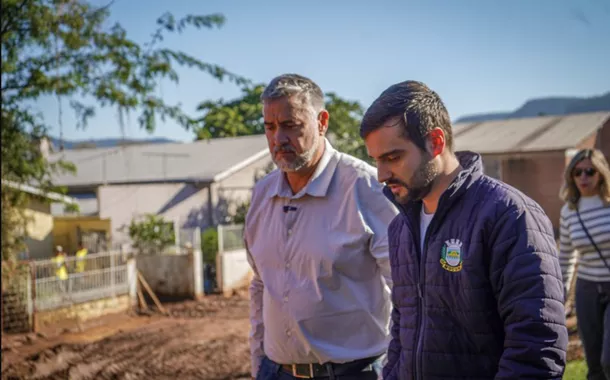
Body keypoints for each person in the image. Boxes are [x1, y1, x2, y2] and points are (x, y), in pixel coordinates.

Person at [360, 80, 568, 379]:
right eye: (376, 161)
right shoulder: (400, 228)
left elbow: (536, 344)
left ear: (436, 142)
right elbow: (404, 332)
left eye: (393, 157)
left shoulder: (508, 214)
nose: (381, 175)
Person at [245, 73, 398, 380]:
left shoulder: (365, 188)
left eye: (291, 125)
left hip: (356, 372)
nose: (278, 139)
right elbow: (261, 284)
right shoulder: (262, 195)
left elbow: (405, 288)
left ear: (322, 121)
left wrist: (398, 368)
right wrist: (259, 362)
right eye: (270, 127)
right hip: (276, 372)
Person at [559, 148, 610, 380]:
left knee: (608, 359)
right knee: (594, 364)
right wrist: (560, 297)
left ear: (600, 173)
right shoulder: (569, 211)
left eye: (589, 171)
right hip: (587, 289)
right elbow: (567, 257)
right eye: (577, 173)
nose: (583, 178)